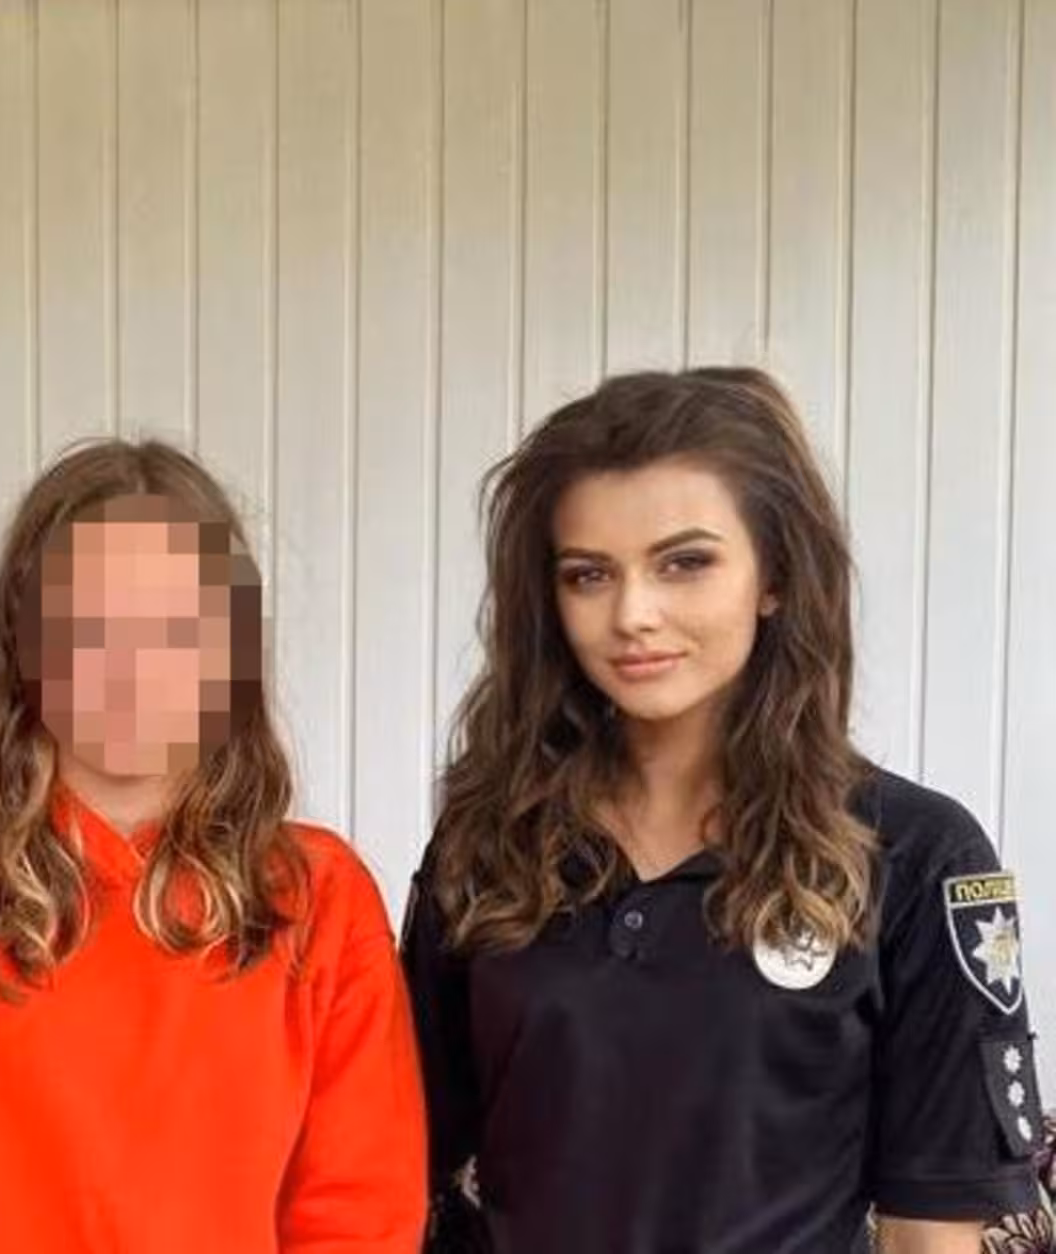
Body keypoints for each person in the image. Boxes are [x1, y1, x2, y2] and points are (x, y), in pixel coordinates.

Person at [402, 368, 1041, 1253]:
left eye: (685, 563)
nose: (634, 613)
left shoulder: (917, 854)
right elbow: (403, 1162)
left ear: (774, 575)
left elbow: (931, 1231)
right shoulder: (489, 840)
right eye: (589, 574)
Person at [0, 438, 427, 1254]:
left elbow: (358, 1217)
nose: (133, 666)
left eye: (174, 626)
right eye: (91, 624)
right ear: (26, 643)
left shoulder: (319, 897)